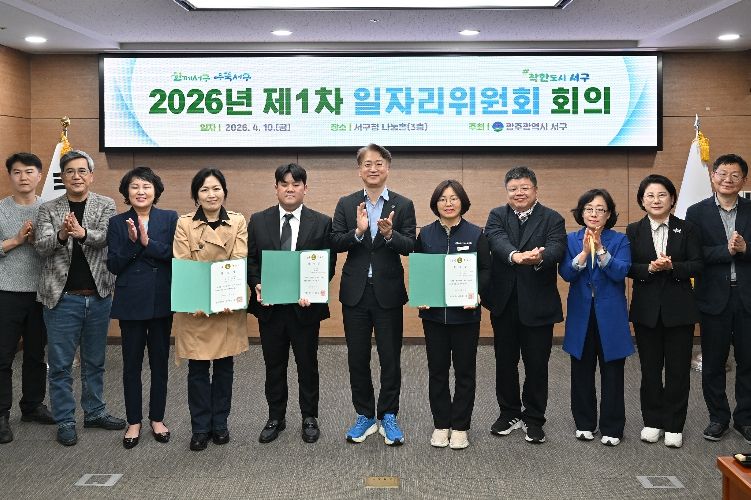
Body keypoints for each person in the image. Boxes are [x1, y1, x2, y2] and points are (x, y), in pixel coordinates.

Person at [34, 150, 125, 446]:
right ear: (62, 177)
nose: (76, 176)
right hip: (61, 299)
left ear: (91, 176)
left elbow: (107, 238)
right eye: (70, 171)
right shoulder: (48, 208)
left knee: (95, 362)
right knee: (60, 365)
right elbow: (41, 247)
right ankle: (65, 420)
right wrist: (62, 234)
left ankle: (95, 412)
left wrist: (82, 233)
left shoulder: (106, 204)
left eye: (82, 171)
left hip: (98, 296)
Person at [331, 143, 416, 446]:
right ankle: (365, 415)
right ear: (360, 170)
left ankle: (389, 414)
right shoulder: (346, 203)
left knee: (390, 357)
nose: (373, 168)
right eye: (367, 164)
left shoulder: (403, 204)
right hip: (355, 293)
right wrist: (357, 232)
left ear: (387, 168)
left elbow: (411, 245)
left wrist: (390, 235)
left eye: (379, 163)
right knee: (357, 357)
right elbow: (335, 241)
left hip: (388, 293)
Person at [247, 163, 336, 444]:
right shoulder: (258, 220)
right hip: (270, 308)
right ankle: (276, 416)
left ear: (305, 189)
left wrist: (313, 289)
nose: (290, 189)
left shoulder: (321, 222)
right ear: (275, 188)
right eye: (284, 184)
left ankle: (309, 417)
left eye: (296, 184)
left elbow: (327, 264)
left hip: (305, 308)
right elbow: (251, 260)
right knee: (274, 365)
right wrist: (256, 283)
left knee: (307, 365)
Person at [484, 166, 565, 444]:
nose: (519, 193)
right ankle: (508, 413)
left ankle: (534, 418)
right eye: (513, 189)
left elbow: (557, 248)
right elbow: (496, 240)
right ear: (507, 192)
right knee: (504, 362)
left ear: (535, 190)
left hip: (538, 304)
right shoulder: (497, 215)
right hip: (504, 303)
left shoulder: (552, 218)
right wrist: (516, 256)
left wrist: (539, 258)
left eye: (524, 188)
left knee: (537, 364)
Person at [173, 168, 248, 451]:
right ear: (196, 195)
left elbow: (238, 259)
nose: (211, 194)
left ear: (224, 192)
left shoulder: (238, 221)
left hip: (227, 306)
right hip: (196, 308)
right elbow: (184, 263)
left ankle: (220, 424)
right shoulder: (184, 224)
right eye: (204, 189)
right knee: (198, 370)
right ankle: (200, 427)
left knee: (225, 369)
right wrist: (198, 300)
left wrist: (228, 295)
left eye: (216, 188)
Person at [415, 180, 490, 450]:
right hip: (434, 317)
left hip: (466, 316)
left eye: (453, 198)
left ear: (462, 202)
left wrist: (477, 293)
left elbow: (485, 269)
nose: (448, 203)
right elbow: (420, 268)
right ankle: (441, 425)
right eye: (443, 199)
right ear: (435, 203)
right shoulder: (425, 234)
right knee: (437, 371)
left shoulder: (476, 233)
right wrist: (421, 294)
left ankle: (460, 427)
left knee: (464, 372)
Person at [627, 174, 702, 448]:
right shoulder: (633, 230)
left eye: (662, 195)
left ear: (672, 199)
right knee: (650, 370)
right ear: (642, 200)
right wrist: (649, 268)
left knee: (678, 371)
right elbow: (627, 267)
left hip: (679, 310)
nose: (656, 200)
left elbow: (698, 264)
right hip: (646, 311)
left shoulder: (688, 228)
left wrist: (673, 267)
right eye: (650, 195)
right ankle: (652, 421)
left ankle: (674, 425)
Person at [107, 167, 178, 449]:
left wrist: (147, 243)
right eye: (134, 186)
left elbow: (175, 254)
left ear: (155, 191)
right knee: (131, 365)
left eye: (146, 186)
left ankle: (157, 418)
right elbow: (114, 265)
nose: (140, 191)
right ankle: (134, 421)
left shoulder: (169, 218)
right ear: (127, 192)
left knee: (159, 363)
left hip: (161, 299)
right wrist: (134, 243)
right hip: (131, 302)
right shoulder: (117, 222)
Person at [559, 188, 633, 446]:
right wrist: (582, 254)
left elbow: (621, 272)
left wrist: (601, 251)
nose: (594, 214)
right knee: (581, 369)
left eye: (600, 209)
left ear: (609, 214)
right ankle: (584, 423)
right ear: (581, 213)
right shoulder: (571, 239)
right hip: (581, 313)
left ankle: (612, 427)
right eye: (589, 209)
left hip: (611, 315)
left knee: (612, 372)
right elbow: (566, 274)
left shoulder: (620, 240)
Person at [686, 153, 751, 443]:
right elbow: (694, 255)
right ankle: (718, 418)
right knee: (713, 362)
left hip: (747, 297)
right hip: (713, 298)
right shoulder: (696, 212)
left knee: (748, 361)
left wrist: (745, 249)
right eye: (722, 174)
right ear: (713, 176)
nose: (728, 180)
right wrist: (726, 250)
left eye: (735, 175)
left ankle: (745, 419)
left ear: (743, 180)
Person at [0, 153, 55, 444]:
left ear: (39, 176)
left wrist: (41, 243)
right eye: (17, 172)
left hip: (40, 293)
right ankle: (1, 415)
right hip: (6, 293)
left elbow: (59, 248)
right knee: (3, 356)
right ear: (10, 175)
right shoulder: (1, 209)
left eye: (29, 171)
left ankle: (32, 406)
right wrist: (16, 241)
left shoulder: (49, 209)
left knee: (36, 354)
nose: (23, 177)